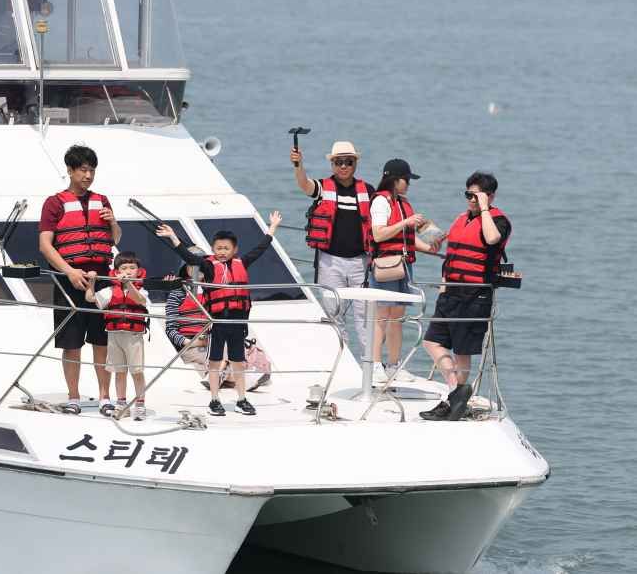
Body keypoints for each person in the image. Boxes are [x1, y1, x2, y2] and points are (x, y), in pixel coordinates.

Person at [156, 211, 283, 417]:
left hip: (237, 323)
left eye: (226, 248)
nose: (222, 252)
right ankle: (214, 400)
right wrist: (173, 237)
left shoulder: (242, 263)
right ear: (213, 249)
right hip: (217, 323)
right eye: (218, 248)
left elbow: (260, 249)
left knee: (238, 362)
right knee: (214, 362)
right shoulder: (208, 265)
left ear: (234, 250)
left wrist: (272, 229)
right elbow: (187, 256)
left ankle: (242, 399)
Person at [420, 171, 511, 422]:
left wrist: (484, 209)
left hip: (475, 295)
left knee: (462, 351)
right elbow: (451, 253)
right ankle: (456, 392)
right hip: (450, 291)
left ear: (489, 196)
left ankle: (454, 401)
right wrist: (442, 286)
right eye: (468, 195)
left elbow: (492, 239)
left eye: (476, 195)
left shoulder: (498, 220)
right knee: (431, 342)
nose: (470, 200)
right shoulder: (461, 219)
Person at [38, 145, 122, 414]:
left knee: (102, 341)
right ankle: (73, 397)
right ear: (71, 171)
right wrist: (69, 272)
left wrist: (113, 222)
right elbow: (45, 245)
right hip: (69, 279)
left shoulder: (103, 200)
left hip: (102, 279)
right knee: (71, 343)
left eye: (92, 170)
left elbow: (116, 239)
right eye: (83, 170)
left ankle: (104, 398)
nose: (88, 175)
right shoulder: (54, 203)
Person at [291, 140, 374, 352]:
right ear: (332, 165)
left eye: (348, 162)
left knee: (365, 316)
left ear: (355, 163)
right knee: (333, 315)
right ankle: (341, 360)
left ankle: (372, 364)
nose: (343, 166)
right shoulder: (322, 187)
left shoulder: (368, 190)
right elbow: (304, 185)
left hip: (360, 263)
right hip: (330, 262)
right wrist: (298, 165)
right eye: (338, 162)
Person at [369, 158, 438, 381]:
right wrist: (405, 223)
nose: (408, 184)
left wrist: (431, 247)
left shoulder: (402, 202)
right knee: (382, 315)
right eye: (406, 180)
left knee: (398, 316)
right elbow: (379, 234)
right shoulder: (381, 202)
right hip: (386, 264)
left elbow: (406, 239)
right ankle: (376, 363)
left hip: (404, 265)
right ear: (394, 180)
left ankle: (394, 364)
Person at [85, 252, 150, 420]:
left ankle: (140, 404)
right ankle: (121, 404)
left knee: (137, 372)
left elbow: (140, 300)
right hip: (114, 335)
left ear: (138, 271)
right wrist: (91, 281)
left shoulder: (143, 289)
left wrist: (128, 284)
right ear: (116, 271)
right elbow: (90, 298)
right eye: (124, 268)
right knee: (119, 372)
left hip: (134, 336)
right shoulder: (109, 291)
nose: (128, 271)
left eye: (132, 268)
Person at [163, 247, 229, 388]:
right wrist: (191, 342)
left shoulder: (212, 291)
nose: (198, 270)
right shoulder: (177, 293)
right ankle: (220, 374)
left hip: (211, 342)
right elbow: (170, 330)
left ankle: (219, 374)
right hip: (190, 346)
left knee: (232, 346)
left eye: (201, 266)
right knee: (220, 356)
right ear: (185, 268)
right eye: (193, 265)